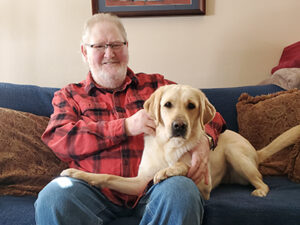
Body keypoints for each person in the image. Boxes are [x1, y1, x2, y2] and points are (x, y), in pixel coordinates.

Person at [35, 13, 226, 225]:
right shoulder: (69, 95)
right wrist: (124, 126)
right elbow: (60, 139)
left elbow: (212, 116)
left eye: (116, 44)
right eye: (99, 46)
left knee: (182, 190)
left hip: (155, 189)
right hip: (93, 192)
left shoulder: (158, 86)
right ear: (84, 52)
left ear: (127, 47)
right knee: (53, 196)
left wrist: (204, 141)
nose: (110, 53)